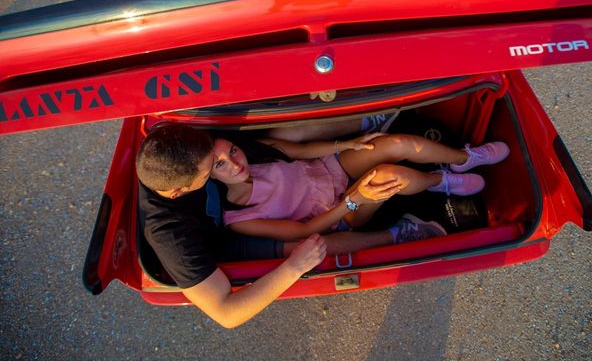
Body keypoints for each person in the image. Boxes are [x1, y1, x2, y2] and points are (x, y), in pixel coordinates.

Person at [136, 124, 448, 328]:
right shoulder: (171, 236)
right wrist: (293, 268)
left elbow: (281, 146)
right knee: (304, 248)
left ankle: (370, 119)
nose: (218, 166)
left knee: (280, 135)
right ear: (179, 192)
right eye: (208, 173)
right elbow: (226, 313)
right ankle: (394, 236)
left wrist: (344, 142)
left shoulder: (176, 142)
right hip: (223, 238)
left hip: (272, 185)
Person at [213, 130, 509, 241]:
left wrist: (348, 143)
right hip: (338, 213)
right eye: (220, 164)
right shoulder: (239, 219)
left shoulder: (255, 151)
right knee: (388, 175)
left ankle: (464, 158)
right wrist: (352, 202)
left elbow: (302, 151)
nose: (234, 163)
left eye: (232, 152)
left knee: (398, 143)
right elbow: (304, 231)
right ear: (210, 176)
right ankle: (440, 181)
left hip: (329, 167)